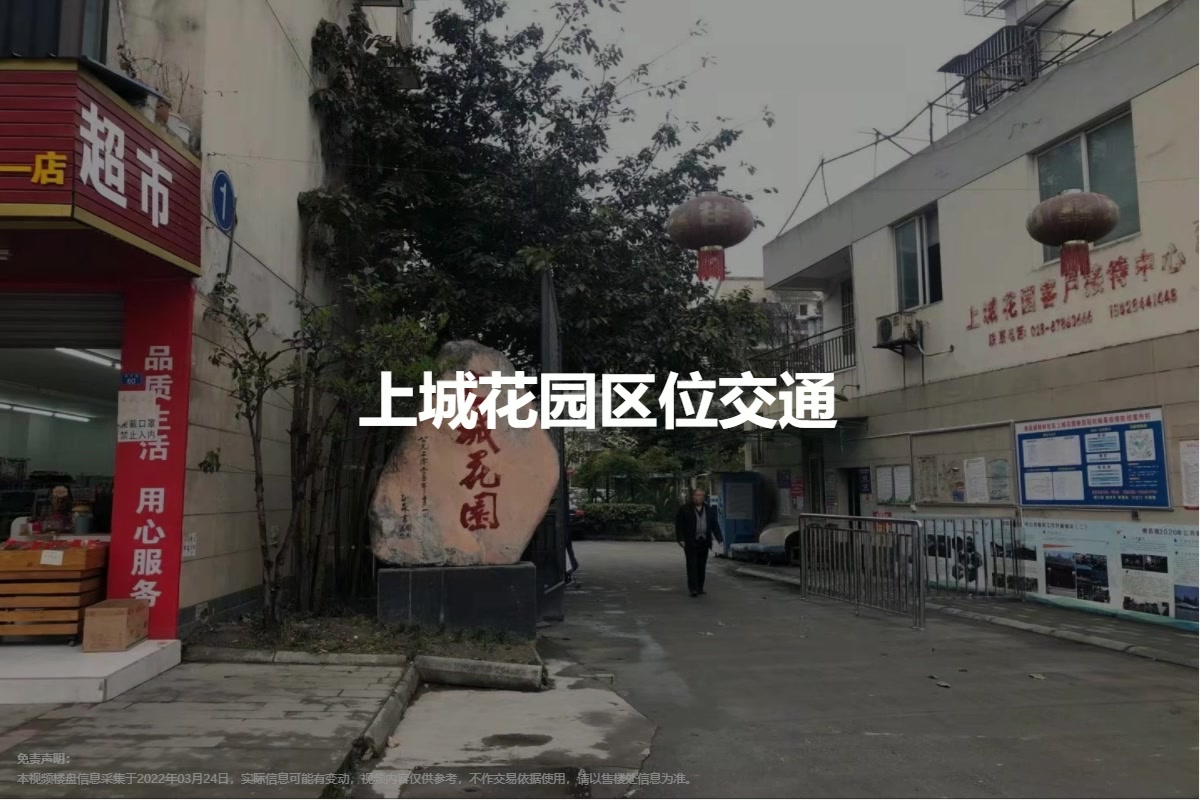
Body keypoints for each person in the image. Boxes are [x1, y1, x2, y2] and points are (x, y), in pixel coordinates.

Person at [675, 488, 723, 597]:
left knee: (701, 565)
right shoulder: (684, 509)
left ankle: (700, 587)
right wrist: (681, 539)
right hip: (690, 541)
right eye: (696, 495)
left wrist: (719, 539)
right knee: (692, 565)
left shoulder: (709, 509)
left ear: (703, 497)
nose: (698, 497)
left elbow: (715, 525)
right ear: (692, 497)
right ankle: (693, 589)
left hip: (704, 541)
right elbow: (679, 525)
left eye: (700, 495)